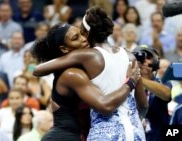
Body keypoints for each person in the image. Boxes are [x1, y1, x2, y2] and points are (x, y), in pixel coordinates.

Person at [32, 7, 147, 140]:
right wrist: (130, 82)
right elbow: (36, 69)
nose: (84, 39)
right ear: (64, 49)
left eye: (82, 34)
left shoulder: (87, 62)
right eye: (76, 38)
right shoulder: (73, 72)